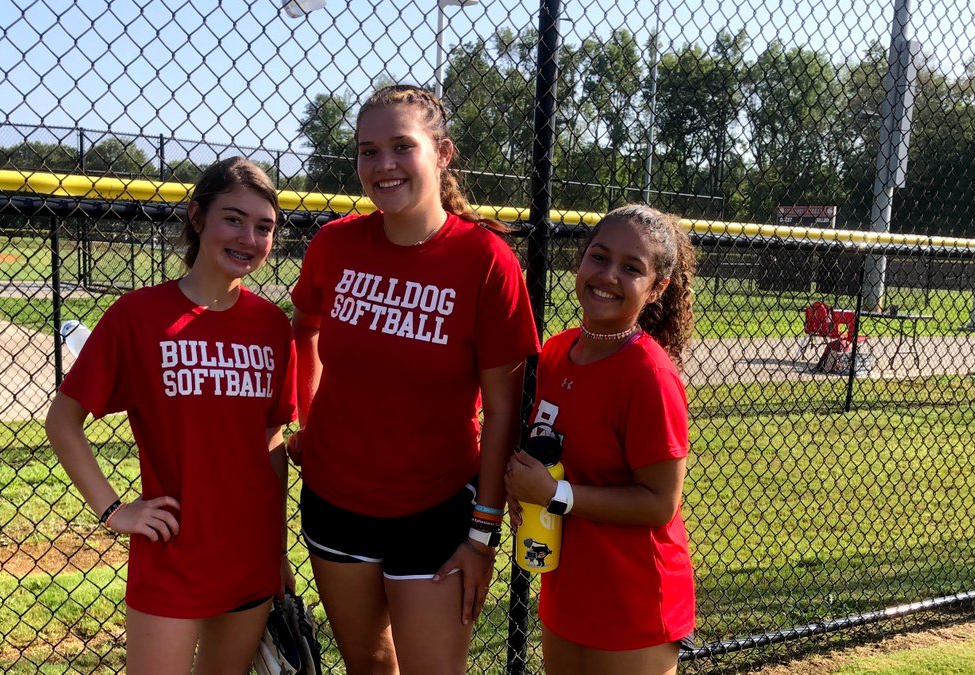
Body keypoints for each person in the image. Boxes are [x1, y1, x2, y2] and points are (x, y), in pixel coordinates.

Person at [289, 83, 540, 674]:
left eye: (402, 146)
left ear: (443, 153)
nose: (383, 164)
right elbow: (306, 327)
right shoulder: (335, 243)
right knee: (369, 666)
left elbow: (503, 411)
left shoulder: (485, 260)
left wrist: (482, 534)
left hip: (437, 510)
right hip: (336, 501)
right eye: (368, 151)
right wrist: (307, 418)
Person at [45, 157, 297, 675]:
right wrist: (114, 511)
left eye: (264, 227)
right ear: (197, 217)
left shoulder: (272, 325)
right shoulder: (138, 316)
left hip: (249, 552)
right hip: (172, 550)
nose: (249, 238)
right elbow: (62, 421)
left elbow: (270, 438)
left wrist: (278, 553)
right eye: (233, 219)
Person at [505, 204, 697, 675]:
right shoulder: (555, 352)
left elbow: (660, 503)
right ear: (581, 260)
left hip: (633, 602)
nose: (608, 275)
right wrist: (520, 486)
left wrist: (554, 495)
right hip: (567, 590)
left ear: (657, 288)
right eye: (599, 257)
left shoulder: (649, 376)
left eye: (631, 268)